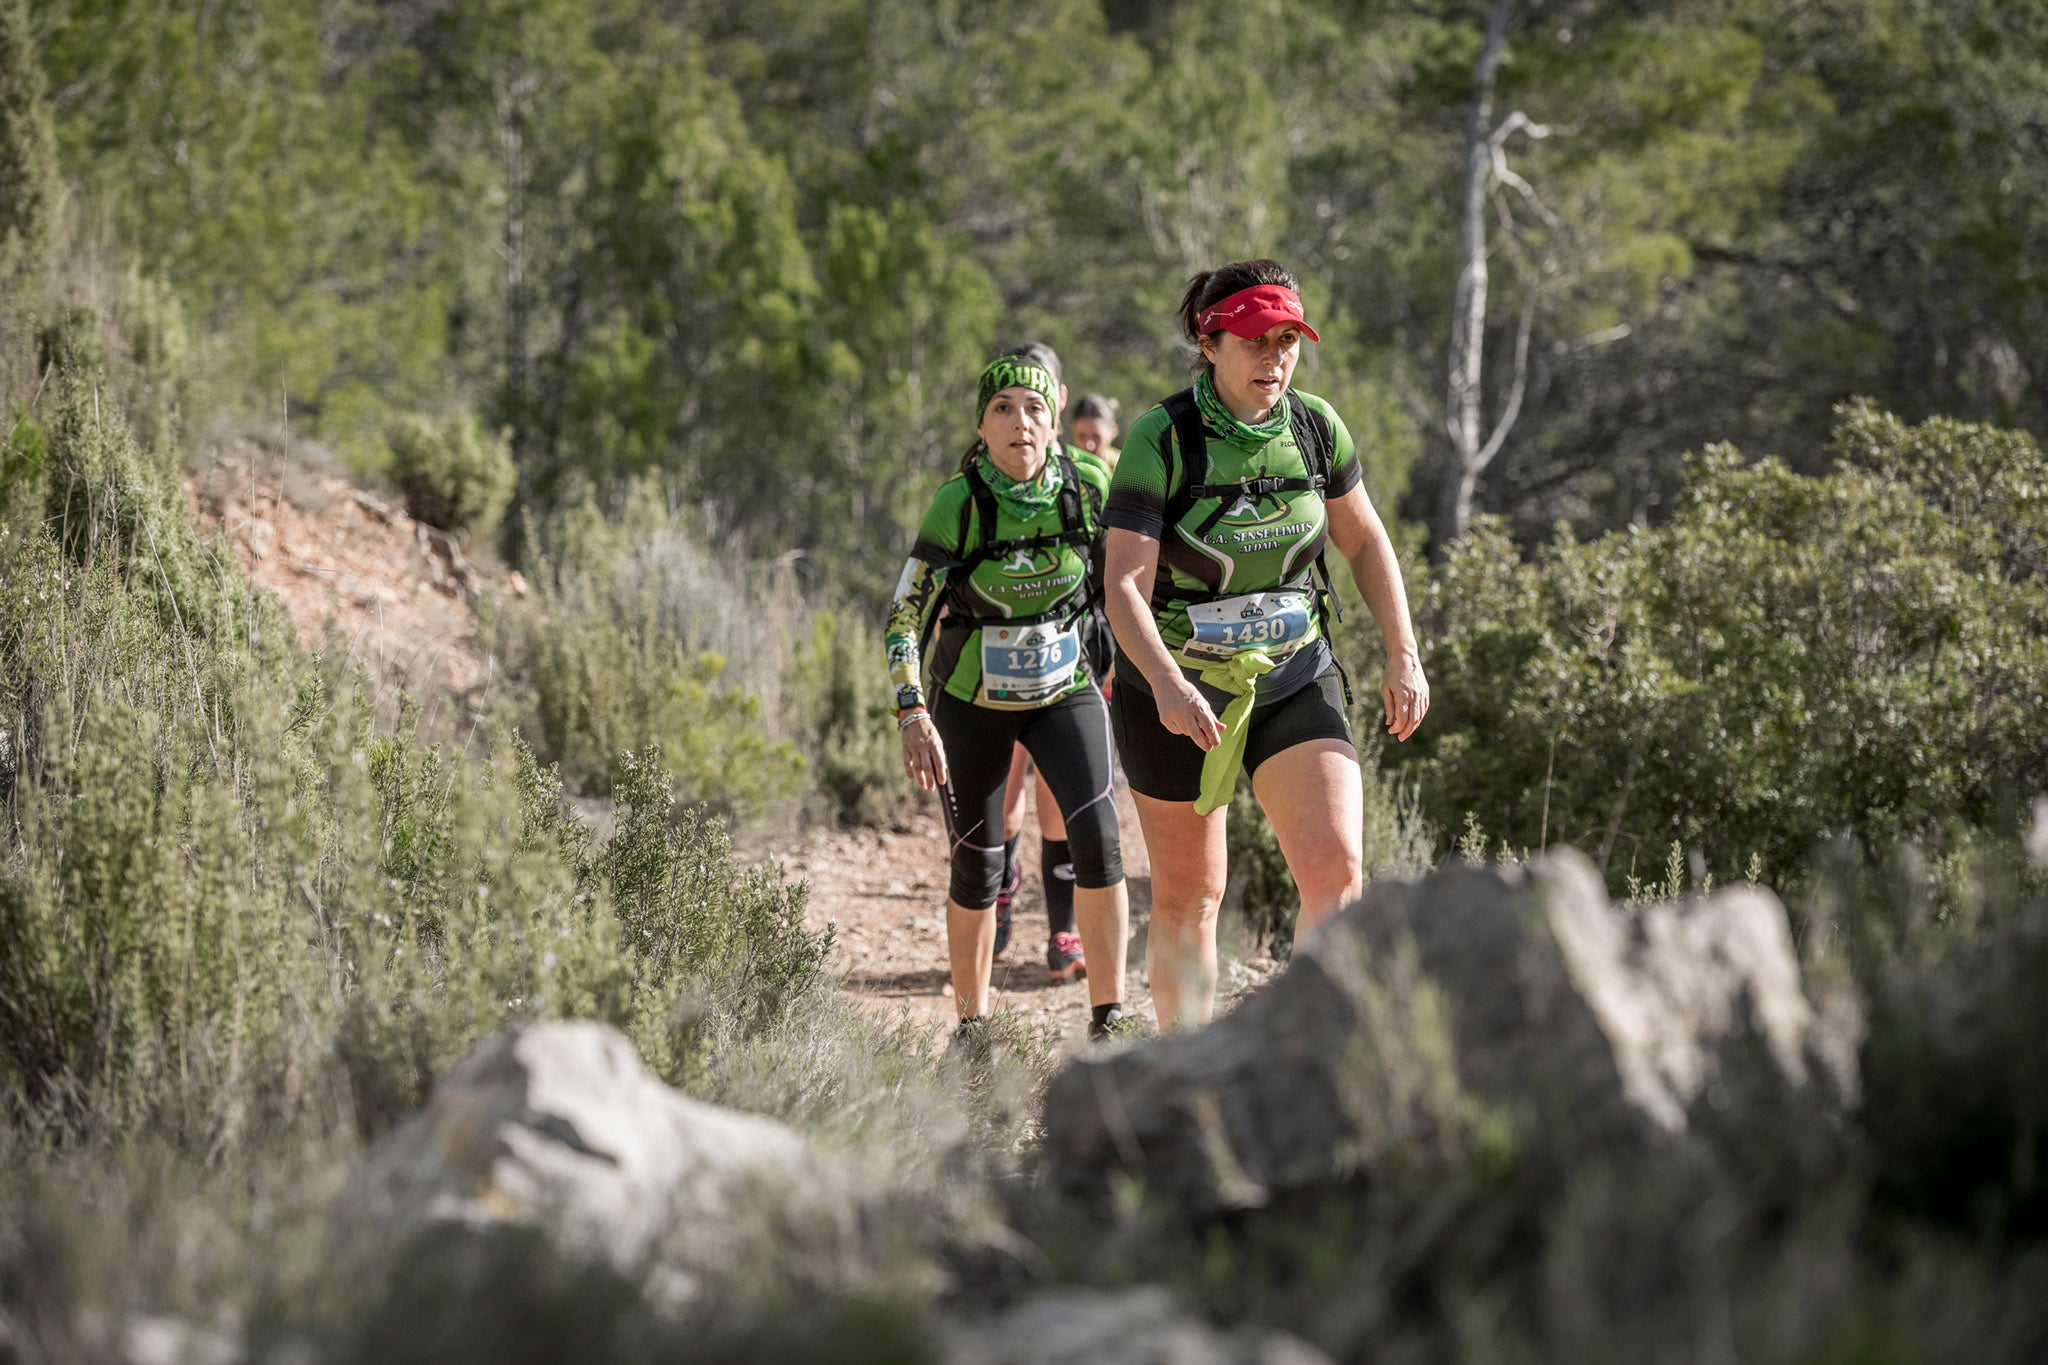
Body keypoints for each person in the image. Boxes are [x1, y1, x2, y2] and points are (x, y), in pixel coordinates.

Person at [1101, 259, 1428, 1029]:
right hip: (1174, 684)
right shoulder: (1163, 437)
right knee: (1192, 894)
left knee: (1338, 870)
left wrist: (1403, 651)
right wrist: (1168, 685)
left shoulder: (1315, 426)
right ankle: (1189, 1074)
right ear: (1209, 342)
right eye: (1254, 340)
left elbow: (1365, 538)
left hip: (1290, 670)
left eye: (1287, 340)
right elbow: (1121, 586)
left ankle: (1307, 1056)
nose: (1274, 358)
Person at [887, 353, 1131, 1039]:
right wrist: (912, 710)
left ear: (1054, 418)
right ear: (982, 426)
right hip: (971, 701)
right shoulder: (958, 503)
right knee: (979, 865)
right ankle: (973, 1031)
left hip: (1065, 689)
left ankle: (1110, 1022)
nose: (1019, 421)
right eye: (1002, 409)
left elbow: (1131, 581)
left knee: (1100, 840)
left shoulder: (1088, 483)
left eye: (1032, 407)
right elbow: (904, 615)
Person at [1068, 394, 1121, 469]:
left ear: (1113, 432)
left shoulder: (1126, 469)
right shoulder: (1065, 471)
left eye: (1097, 437)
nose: (1089, 446)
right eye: (1081, 437)